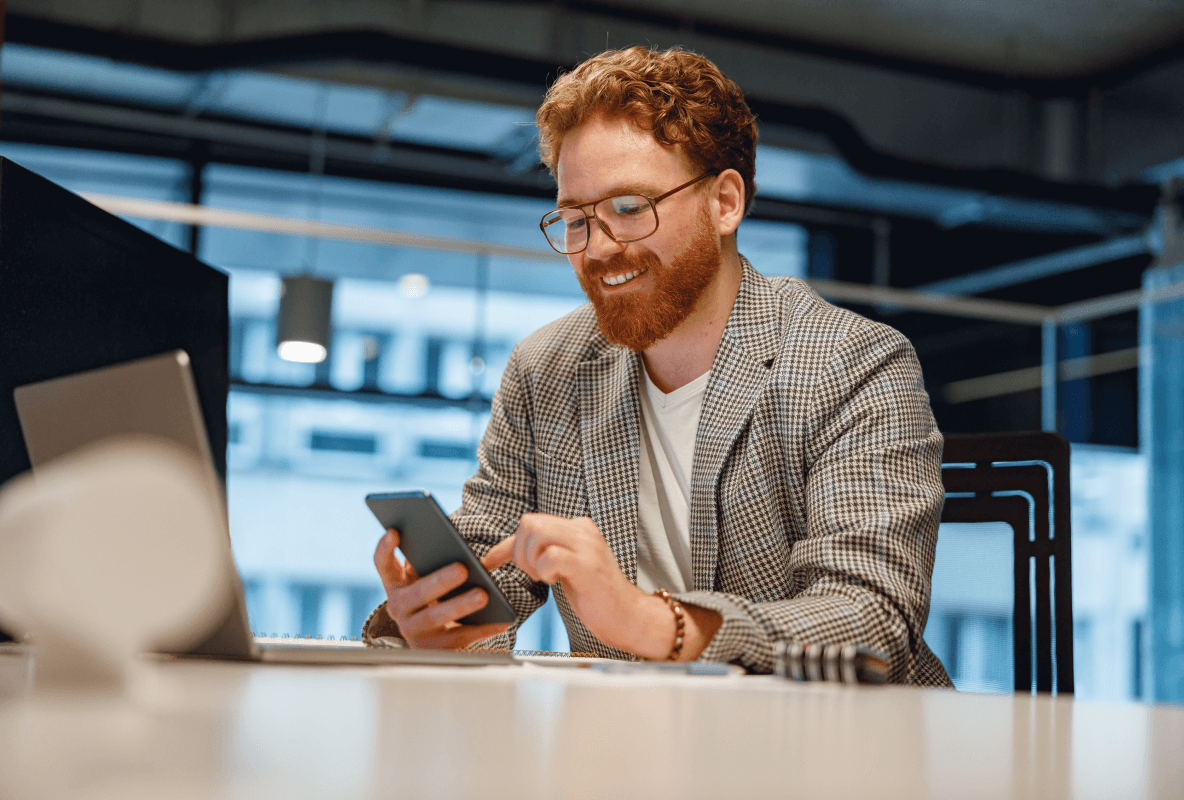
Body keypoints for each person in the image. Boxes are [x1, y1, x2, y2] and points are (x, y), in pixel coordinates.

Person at [365, 46, 952, 685]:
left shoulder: (853, 363)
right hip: (633, 751)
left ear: (724, 203)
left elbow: (871, 623)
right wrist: (438, 625)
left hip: (843, 755)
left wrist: (653, 624)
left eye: (628, 208)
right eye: (574, 219)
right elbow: (486, 570)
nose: (598, 249)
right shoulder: (547, 371)